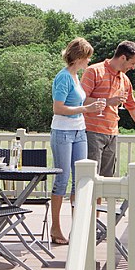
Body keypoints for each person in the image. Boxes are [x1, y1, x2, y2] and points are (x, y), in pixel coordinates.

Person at [48, 38, 105, 245]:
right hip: (62, 132)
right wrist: (85, 109)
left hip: (79, 131)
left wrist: (91, 108)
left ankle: (77, 230)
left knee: (79, 180)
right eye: (87, 57)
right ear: (79, 57)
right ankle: (55, 228)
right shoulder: (63, 77)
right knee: (62, 180)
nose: (89, 60)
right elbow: (58, 108)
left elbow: (79, 104)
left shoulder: (75, 76)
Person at [81, 40, 135, 178]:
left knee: (106, 180)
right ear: (123, 57)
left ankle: (99, 201)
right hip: (91, 133)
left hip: (112, 134)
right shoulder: (93, 71)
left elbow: (134, 110)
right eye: (132, 63)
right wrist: (108, 101)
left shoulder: (125, 80)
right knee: (89, 178)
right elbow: (81, 100)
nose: (133, 68)